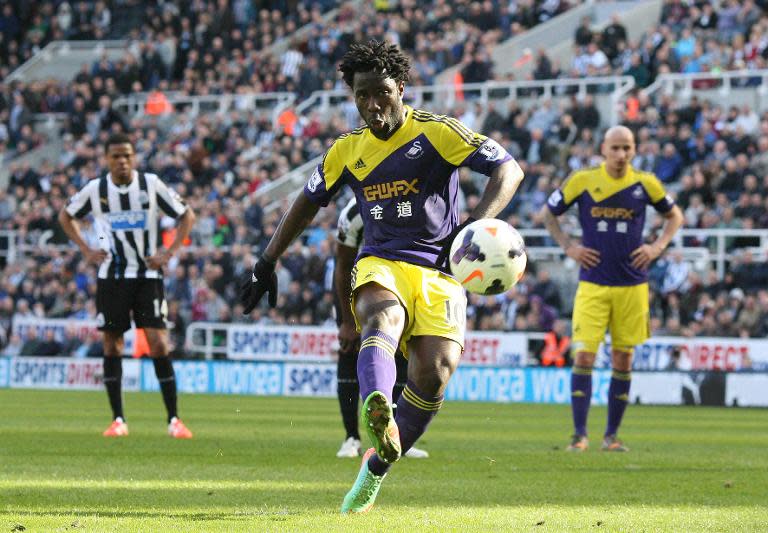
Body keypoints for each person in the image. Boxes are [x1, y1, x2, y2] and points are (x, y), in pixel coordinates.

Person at [238, 40, 524, 513]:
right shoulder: (347, 150)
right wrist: (267, 260)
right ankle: (378, 407)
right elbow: (306, 203)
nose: (373, 105)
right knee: (380, 318)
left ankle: (374, 468)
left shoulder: (435, 132)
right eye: (362, 95)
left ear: (401, 88)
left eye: (382, 93)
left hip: (440, 271)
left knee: (434, 375)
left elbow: (507, 170)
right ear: (353, 96)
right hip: (382, 261)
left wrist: (472, 228)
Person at [541, 126, 683, 452]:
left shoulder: (645, 183)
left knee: (623, 359)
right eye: (616, 147)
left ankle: (612, 437)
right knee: (585, 355)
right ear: (603, 148)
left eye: (627, 148)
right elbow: (549, 214)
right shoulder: (582, 180)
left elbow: (675, 216)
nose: (621, 154)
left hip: (632, 285)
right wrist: (569, 247)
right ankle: (579, 436)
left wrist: (657, 247)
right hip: (592, 283)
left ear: (634, 150)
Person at [58, 132, 196, 439]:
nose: (122, 161)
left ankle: (174, 420)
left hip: (147, 276)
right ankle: (118, 419)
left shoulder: (151, 185)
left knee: (159, 343)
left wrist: (169, 253)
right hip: (112, 277)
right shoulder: (96, 190)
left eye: (127, 155)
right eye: (116, 156)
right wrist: (85, 248)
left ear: (134, 158)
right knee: (112, 344)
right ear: (107, 159)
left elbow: (187, 215)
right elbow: (66, 216)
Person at [334, 196, 428, 459]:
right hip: (357, 292)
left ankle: (397, 436)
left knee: (399, 359)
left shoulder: (414, 202)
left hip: (400, 291)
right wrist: (346, 320)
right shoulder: (355, 211)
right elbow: (341, 266)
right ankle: (351, 438)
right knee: (349, 354)